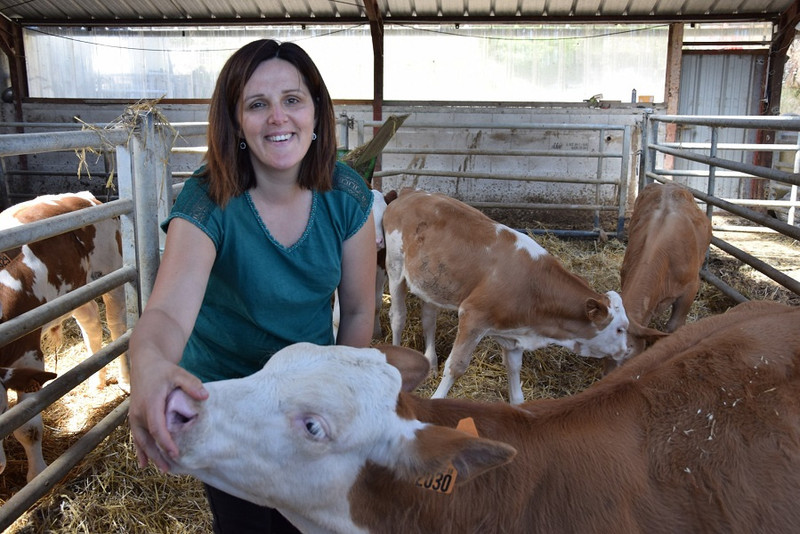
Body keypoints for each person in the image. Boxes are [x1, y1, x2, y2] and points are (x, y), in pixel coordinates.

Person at [127, 39, 377, 533]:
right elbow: (167, 315)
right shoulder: (207, 201)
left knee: (309, 516)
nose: (278, 117)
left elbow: (357, 311)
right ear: (236, 123)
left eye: (293, 100)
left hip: (307, 395)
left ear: (317, 114)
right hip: (228, 400)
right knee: (245, 521)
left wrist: (340, 401)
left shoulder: (347, 197)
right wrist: (151, 366)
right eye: (257, 104)